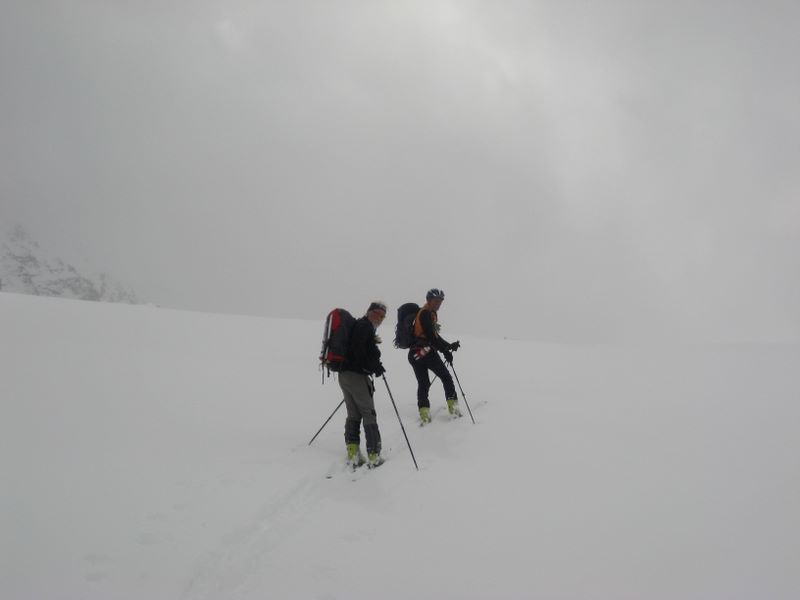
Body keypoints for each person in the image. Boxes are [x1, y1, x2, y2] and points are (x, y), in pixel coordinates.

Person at [339, 301, 387, 468]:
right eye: (378, 314)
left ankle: (353, 453)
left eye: (383, 316)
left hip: (344, 374)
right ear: (369, 312)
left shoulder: (361, 326)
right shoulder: (364, 326)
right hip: (357, 376)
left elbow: (358, 350)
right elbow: (358, 352)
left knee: (353, 413)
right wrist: (375, 366)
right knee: (368, 413)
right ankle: (374, 454)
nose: (380, 318)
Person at [408, 288, 461, 423]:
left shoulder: (429, 313)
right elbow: (431, 337)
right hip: (425, 351)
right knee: (446, 377)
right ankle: (454, 409)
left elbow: (434, 336)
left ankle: (424, 412)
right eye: (436, 301)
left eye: (440, 301)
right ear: (428, 300)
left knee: (423, 383)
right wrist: (445, 351)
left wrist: (448, 346)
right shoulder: (426, 313)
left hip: (415, 353)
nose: (438, 304)